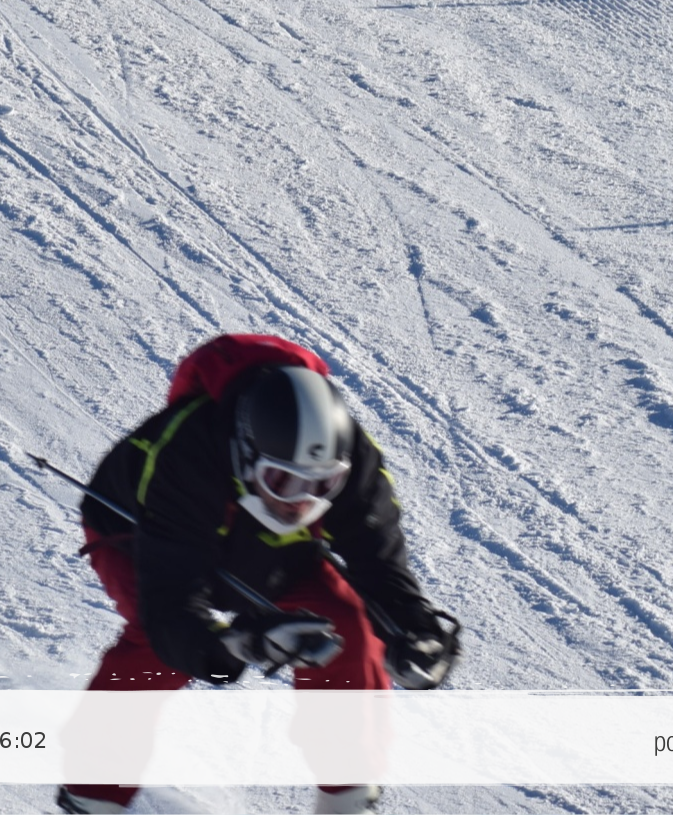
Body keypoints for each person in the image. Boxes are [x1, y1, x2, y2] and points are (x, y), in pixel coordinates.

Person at [57, 334, 460, 815]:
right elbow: (172, 606)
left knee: (347, 623)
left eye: (323, 484)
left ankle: (347, 794)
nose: (301, 502)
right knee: (158, 645)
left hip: (259, 535)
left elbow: (377, 558)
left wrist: (414, 627)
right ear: (246, 455)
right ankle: (94, 794)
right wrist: (235, 646)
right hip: (138, 532)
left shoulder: (353, 456)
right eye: (282, 480)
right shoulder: (185, 457)